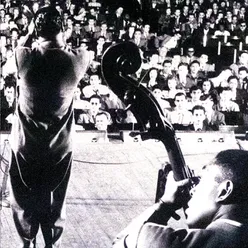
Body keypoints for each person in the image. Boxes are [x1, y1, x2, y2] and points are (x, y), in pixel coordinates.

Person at [9, 6, 89, 248]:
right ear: (63, 28)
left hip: (25, 145)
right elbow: (75, 48)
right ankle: (51, 244)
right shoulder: (79, 59)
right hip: (60, 148)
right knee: (56, 199)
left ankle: (27, 242)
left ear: (36, 29)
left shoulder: (23, 56)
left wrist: (28, 32)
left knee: (23, 200)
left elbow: (18, 51)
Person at [113, 149, 248, 248]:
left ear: (224, 191)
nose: (193, 189)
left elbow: (121, 242)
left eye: (201, 181)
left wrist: (164, 205)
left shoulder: (163, 241)